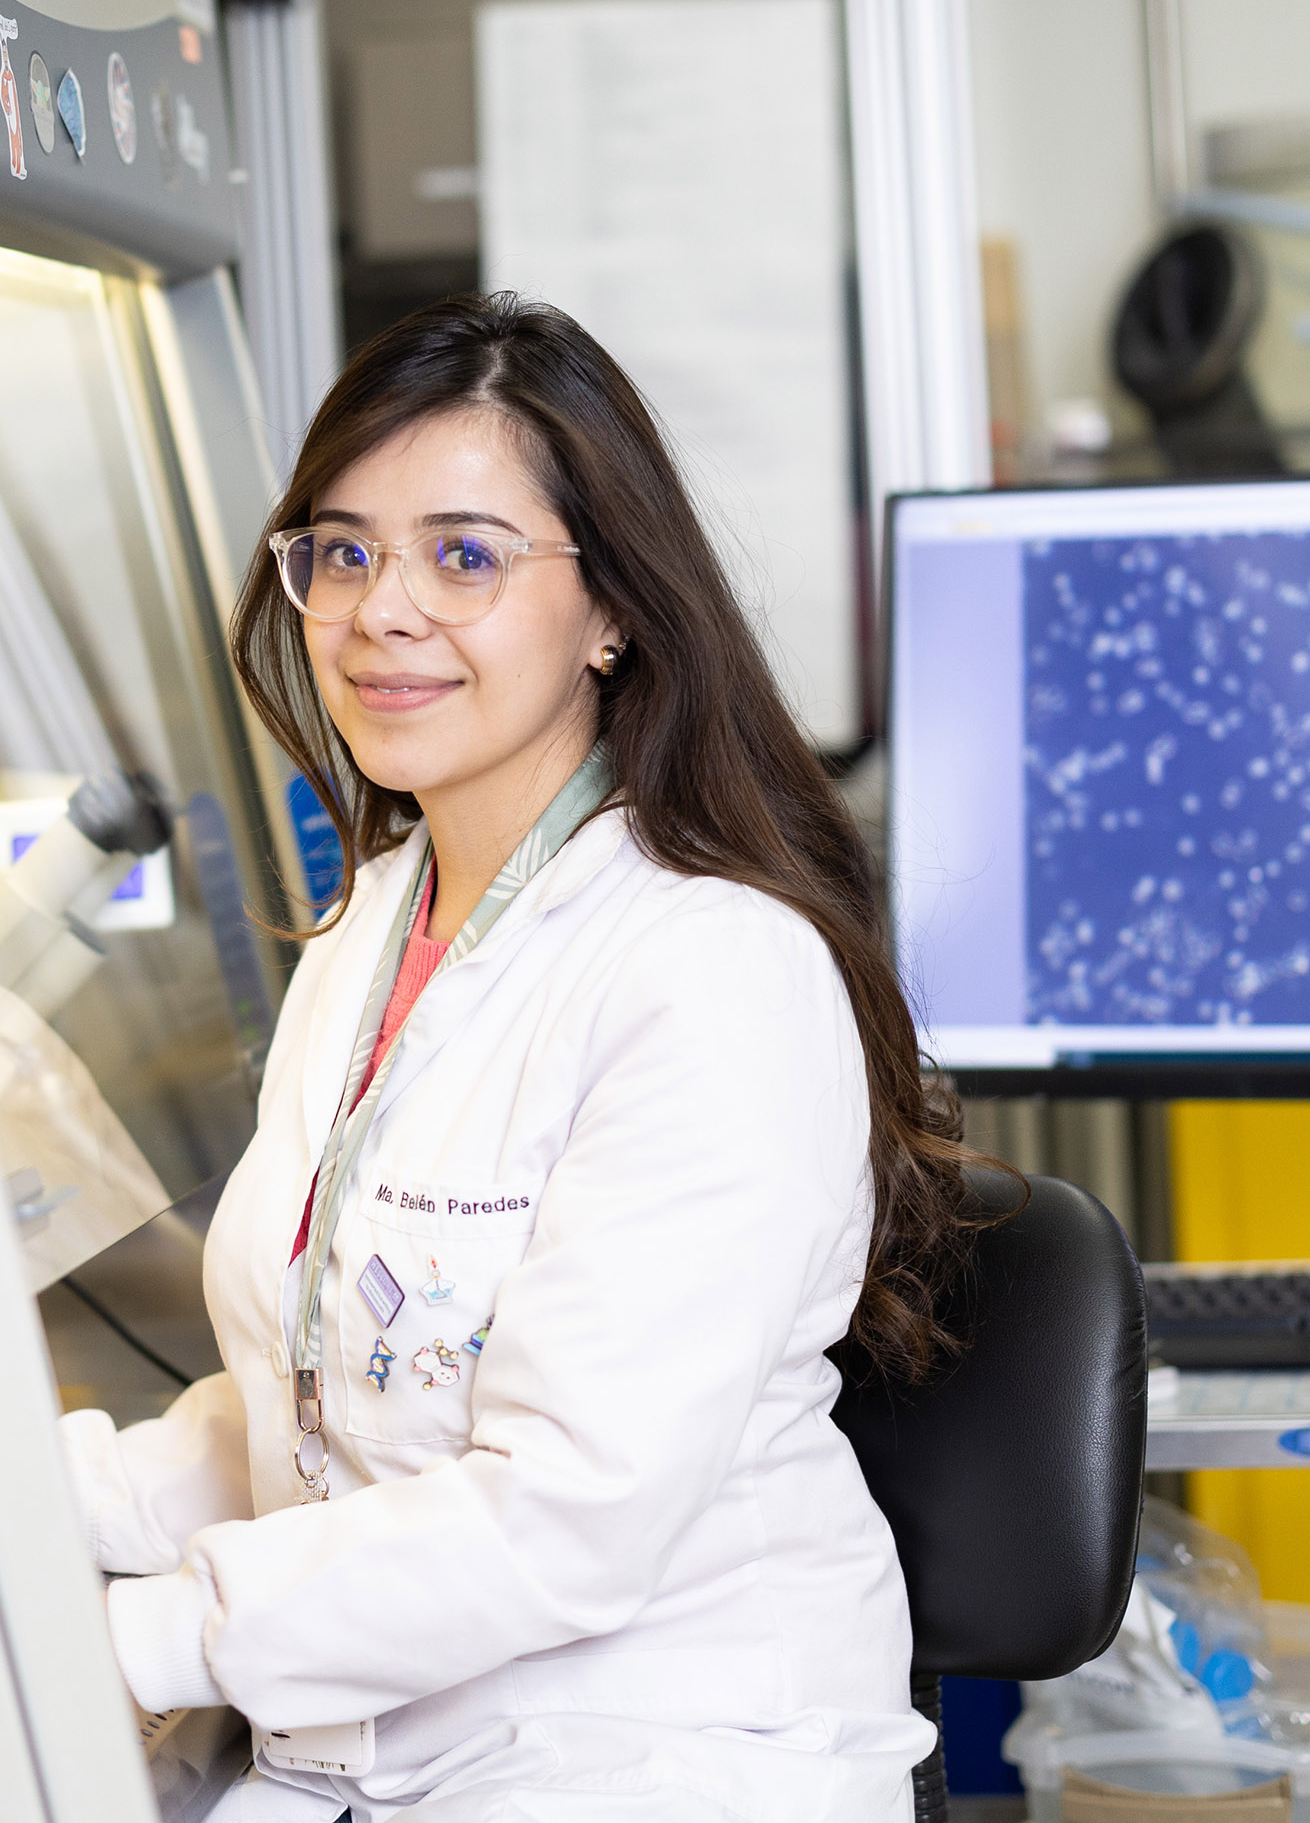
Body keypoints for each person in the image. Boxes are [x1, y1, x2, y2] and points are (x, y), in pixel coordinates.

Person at [59, 294, 981, 1821]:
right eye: (340, 552)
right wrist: (10, 1515)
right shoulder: (373, 922)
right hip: (370, 1752)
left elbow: (566, 1517)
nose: (381, 611)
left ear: (613, 609)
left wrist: (147, 1639)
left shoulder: (712, 968)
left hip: (651, 1761)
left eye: (465, 556)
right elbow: (316, 1396)